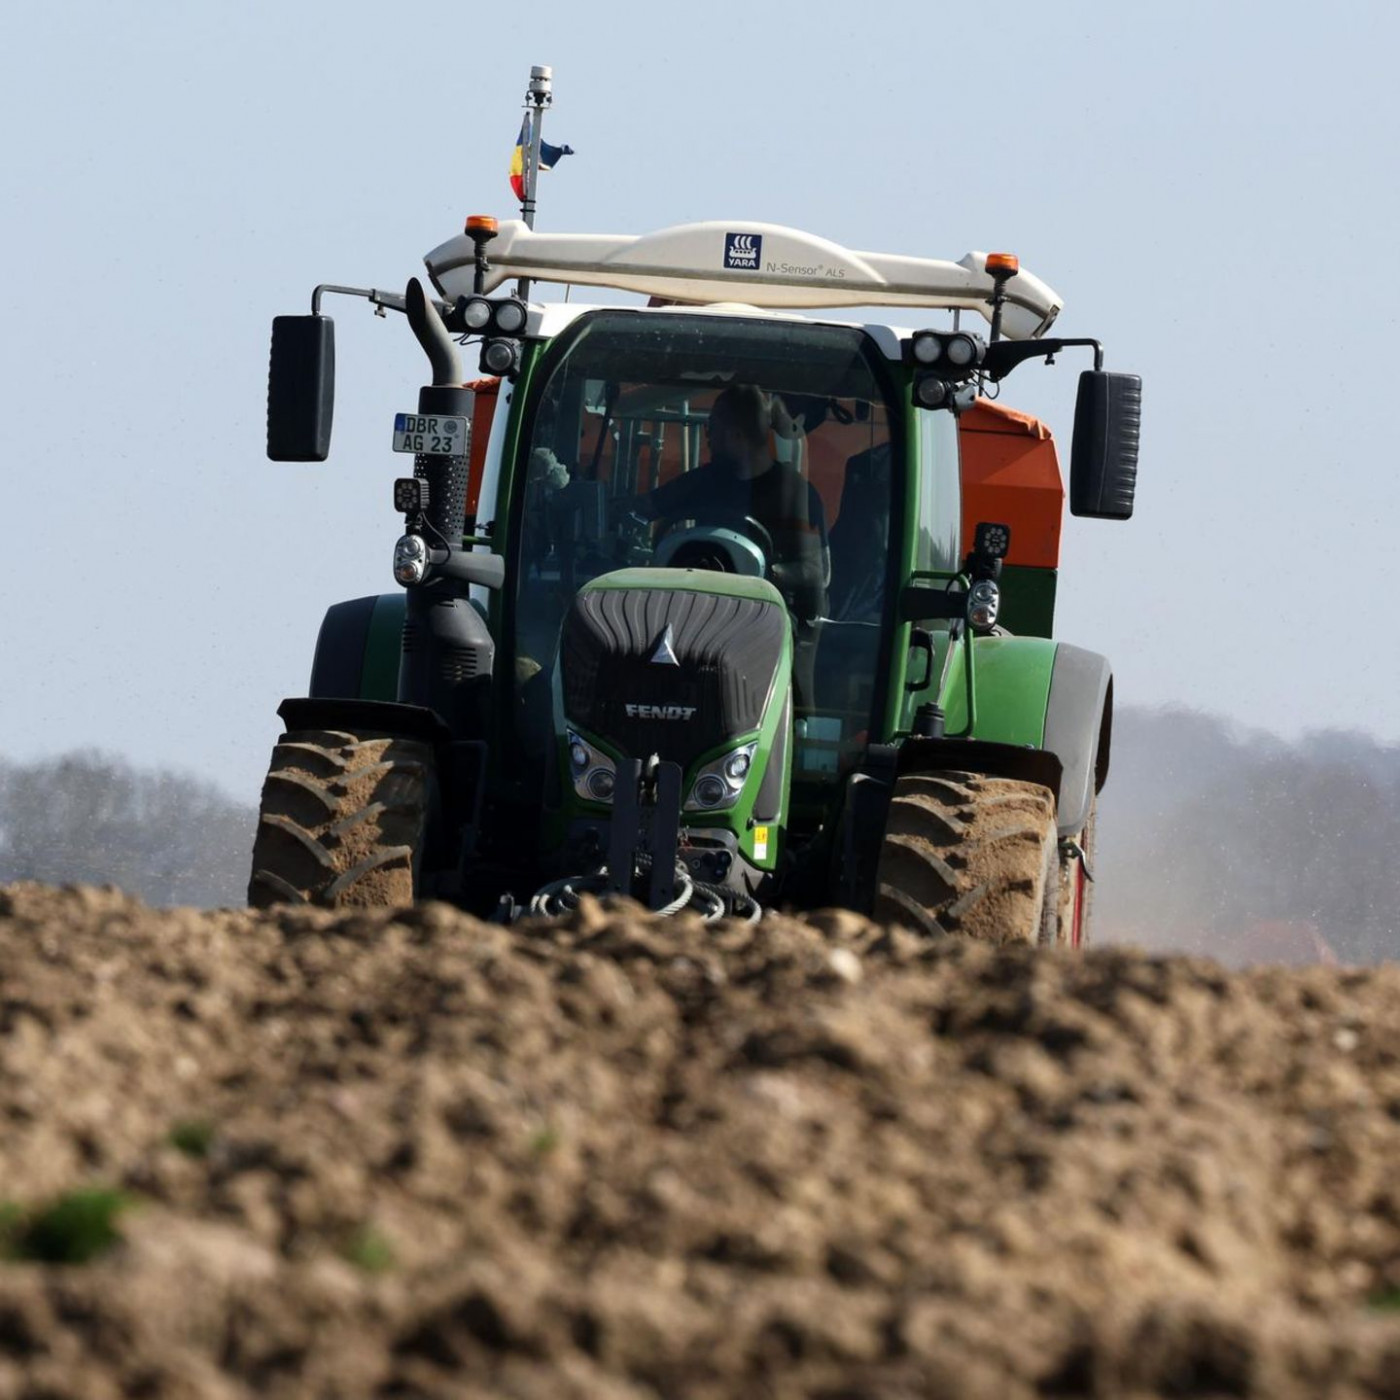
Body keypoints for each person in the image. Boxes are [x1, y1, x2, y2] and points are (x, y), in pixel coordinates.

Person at [633, 384, 829, 616]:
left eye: (712, 429)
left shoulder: (796, 495)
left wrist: (767, 572)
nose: (708, 437)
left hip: (769, 618)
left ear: (736, 436)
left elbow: (819, 571)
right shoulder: (704, 481)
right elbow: (643, 508)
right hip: (698, 610)